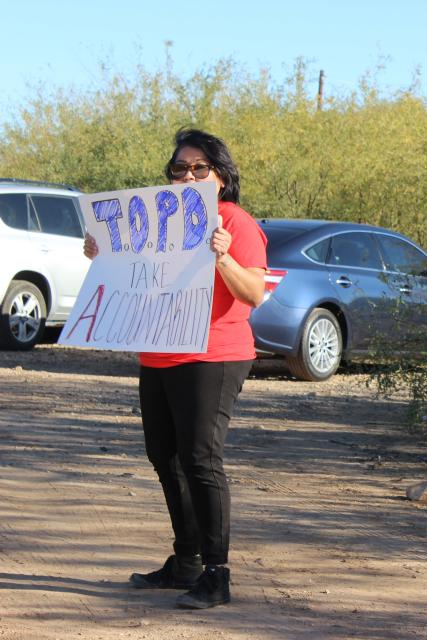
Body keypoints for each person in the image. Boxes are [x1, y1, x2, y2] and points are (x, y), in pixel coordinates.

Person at [84, 129, 266, 609]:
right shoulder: (156, 222)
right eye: (179, 168)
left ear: (221, 175)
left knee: (201, 459)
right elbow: (135, 277)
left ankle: (216, 573)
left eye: (199, 168)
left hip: (214, 354)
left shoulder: (235, 222)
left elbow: (254, 293)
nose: (188, 175)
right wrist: (103, 254)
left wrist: (221, 255)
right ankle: (185, 561)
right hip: (159, 351)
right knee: (164, 456)